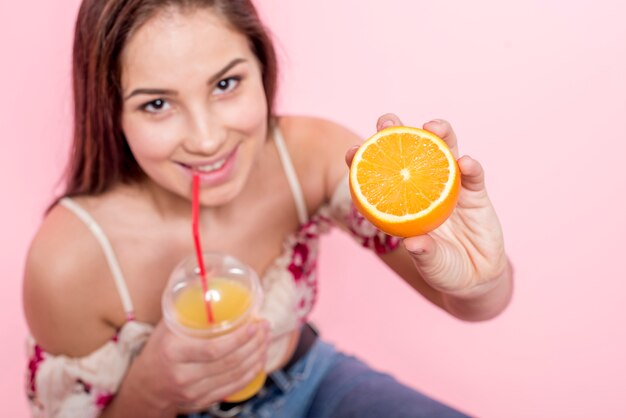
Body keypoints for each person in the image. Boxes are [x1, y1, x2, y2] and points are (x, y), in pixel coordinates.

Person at [22, 0, 513, 417]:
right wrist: (150, 390)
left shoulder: (309, 158)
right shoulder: (69, 261)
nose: (207, 138)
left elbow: (469, 305)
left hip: (313, 381)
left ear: (262, 68)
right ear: (111, 111)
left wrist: (483, 282)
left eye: (225, 84)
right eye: (156, 105)